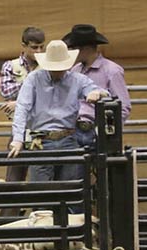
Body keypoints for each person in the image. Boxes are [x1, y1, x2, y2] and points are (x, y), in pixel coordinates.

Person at [8, 39, 108, 185]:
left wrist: (97, 93)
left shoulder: (77, 80)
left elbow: (103, 92)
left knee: (70, 190)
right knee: (41, 191)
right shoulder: (33, 79)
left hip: (68, 138)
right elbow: (22, 107)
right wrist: (18, 139)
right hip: (40, 141)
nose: (58, 71)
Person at [63, 24, 131, 151]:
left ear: (85, 48)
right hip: (73, 131)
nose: (71, 52)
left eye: (74, 48)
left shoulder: (112, 71)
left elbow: (123, 107)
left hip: (97, 131)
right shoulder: (75, 70)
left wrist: (107, 132)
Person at [0, 26, 45, 192]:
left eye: (41, 47)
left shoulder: (49, 65)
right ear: (23, 46)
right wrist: (36, 86)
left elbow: (49, 96)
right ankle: (9, 217)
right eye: (34, 47)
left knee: (41, 178)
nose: (38, 51)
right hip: (20, 129)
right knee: (13, 180)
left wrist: (18, 103)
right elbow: (6, 91)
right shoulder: (10, 66)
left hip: (43, 130)